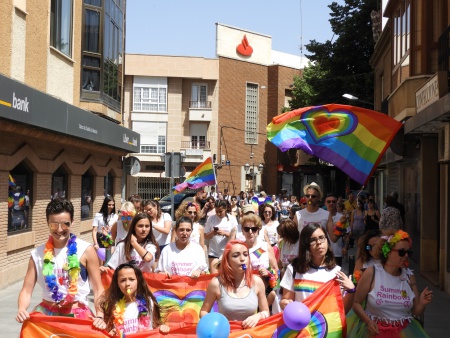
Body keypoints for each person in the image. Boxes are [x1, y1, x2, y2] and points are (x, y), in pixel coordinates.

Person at [15, 199, 106, 331]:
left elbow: (98, 289)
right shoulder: (37, 254)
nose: (59, 230)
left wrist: (100, 315)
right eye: (54, 225)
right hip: (46, 317)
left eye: (65, 224)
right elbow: (26, 290)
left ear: (72, 222)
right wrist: (22, 309)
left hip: (77, 315)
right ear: (48, 223)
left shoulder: (86, 250)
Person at [350, 230, 433, 337]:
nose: (406, 255)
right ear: (388, 252)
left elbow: (416, 311)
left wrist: (422, 303)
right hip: (375, 332)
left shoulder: (409, 276)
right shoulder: (372, 272)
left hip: (404, 332)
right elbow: (356, 303)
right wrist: (368, 322)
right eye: (401, 252)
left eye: (409, 252)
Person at [279, 223, 355, 314]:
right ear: (305, 244)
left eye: (322, 237)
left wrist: (351, 290)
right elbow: (285, 299)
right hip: (301, 326)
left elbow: (342, 312)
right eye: (313, 240)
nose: (319, 242)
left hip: (327, 327)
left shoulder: (337, 272)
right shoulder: (294, 269)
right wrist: (287, 304)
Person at [200, 240, 269, 329]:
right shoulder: (216, 283)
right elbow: (203, 312)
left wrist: (258, 316)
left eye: (245, 254)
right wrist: (217, 323)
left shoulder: (257, 282)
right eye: (236, 255)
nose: (242, 259)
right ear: (227, 260)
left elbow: (266, 311)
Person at [99, 263, 170, 335]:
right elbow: (111, 329)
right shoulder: (114, 306)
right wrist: (112, 333)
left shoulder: (148, 301)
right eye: (123, 280)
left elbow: (156, 325)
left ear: (138, 281)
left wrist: (163, 326)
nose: (127, 284)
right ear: (117, 284)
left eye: (131, 279)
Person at [241, 214, 279, 308]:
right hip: (244, 293)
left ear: (258, 231)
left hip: (264, 292)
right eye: (246, 229)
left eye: (254, 229)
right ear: (242, 231)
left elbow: (276, 271)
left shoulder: (265, 246)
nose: (250, 232)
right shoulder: (239, 248)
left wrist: (268, 273)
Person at [204, 200, 238, 273]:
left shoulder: (232, 219)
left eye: (221, 211)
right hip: (213, 252)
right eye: (216, 211)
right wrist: (213, 233)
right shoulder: (211, 219)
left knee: (227, 275)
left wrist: (225, 233)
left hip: (227, 252)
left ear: (225, 209)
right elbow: (206, 236)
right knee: (214, 275)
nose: (218, 213)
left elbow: (234, 236)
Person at [325, 194, 349, 267]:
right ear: (325, 203)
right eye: (329, 201)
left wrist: (345, 247)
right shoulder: (321, 217)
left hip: (337, 252)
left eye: (333, 201)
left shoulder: (342, 218)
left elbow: (347, 234)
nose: (331, 203)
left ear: (336, 203)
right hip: (324, 252)